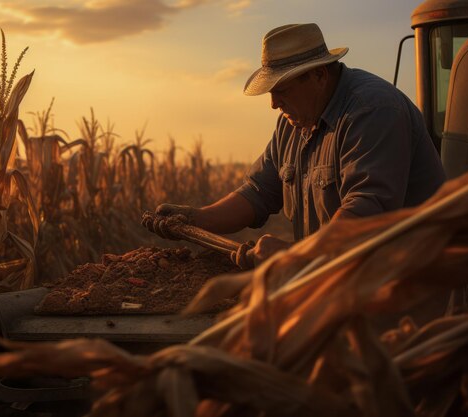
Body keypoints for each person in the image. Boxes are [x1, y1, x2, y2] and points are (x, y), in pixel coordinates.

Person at [147, 23, 445, 268]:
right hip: (339, 279)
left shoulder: (372, 110)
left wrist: (293, 255)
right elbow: (257, 193)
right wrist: (197, 219)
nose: (274, 104)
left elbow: (366, 212)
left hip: (407, 283)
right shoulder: (293, 122)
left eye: (282, 90)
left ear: (318, 75)